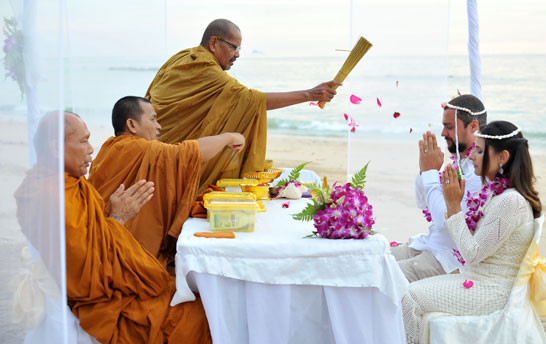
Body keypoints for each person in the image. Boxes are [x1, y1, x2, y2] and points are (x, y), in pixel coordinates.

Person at [15, 111, 212, 343]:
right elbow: (88, 277)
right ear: (57, 148)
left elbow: (89, 235)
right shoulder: (50, 194)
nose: (91, 149)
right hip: (102, 302)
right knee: (196, 316)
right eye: (83, 141)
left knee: (193, 296)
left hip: (112, 286)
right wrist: (118, 218)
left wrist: (112, 215)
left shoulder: (70, 183)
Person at [145, 18, 341, 191]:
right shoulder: (208, 71)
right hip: (171, 158)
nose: (237, 54)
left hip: (153, 150)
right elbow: (253, 100)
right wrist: (309, 94)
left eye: (239, 49)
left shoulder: (182, 57)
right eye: (234, 47)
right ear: (214, 43)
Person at [402, 121, 542, 343]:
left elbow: (472, 253)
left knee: (409, 297)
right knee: (407, 291)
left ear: (502, 157)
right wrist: (453, 206)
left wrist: (453, 206)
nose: (472, 156)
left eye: (479, 151)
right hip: (473, 279)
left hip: (490, 291)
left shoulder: (511, 201)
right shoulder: (499, 193)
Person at [88, 96, 245, 266]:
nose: (159, 126)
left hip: (99, 238)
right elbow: (192, 153)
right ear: (132, 125)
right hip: (119, 245)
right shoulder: (138, 147)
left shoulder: (109, 148)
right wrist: (228, 137)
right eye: (153, 119)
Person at [391, 94, 487, 282]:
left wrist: (430, 173)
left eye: (449, 127)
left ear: (473, 126)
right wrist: (424, 170)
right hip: (428, 245)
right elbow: (422, 203)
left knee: (378, 274)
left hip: (448, 260)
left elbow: (446, 221)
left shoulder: (480, 172)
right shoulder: (460, 161)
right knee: (372, 258)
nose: (443, 133)